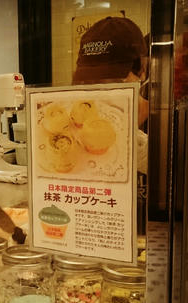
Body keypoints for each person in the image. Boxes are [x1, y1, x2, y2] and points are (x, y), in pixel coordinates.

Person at [72, 16, 149, 237]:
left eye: (112, 81)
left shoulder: (163, 119)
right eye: (89, 82)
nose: (99, 91)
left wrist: (128, 135)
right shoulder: (79, 120)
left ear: (142, 70)